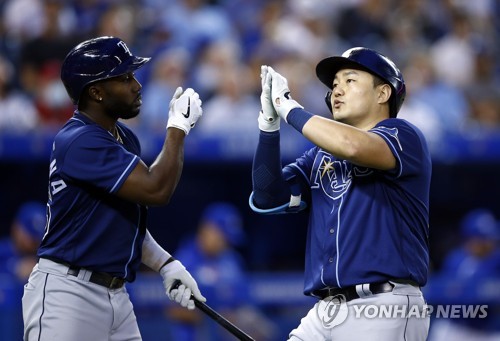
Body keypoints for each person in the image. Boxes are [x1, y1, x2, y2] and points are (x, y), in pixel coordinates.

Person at [22, 36, 206, 341]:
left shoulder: (124, 139)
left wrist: (166, 264)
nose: (136, 85)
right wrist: (177, 128)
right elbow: (157, 190)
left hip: (117, 295)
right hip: (68, 294)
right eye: (124, 78)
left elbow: (123, 222)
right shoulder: (79, 139)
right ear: (95, 92)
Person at [249, 47, 432, 340]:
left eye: (350, 80)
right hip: (324, 310)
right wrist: (269, 126)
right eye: (334, 85)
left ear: (383, 93)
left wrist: (290, 109)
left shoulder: (404, 135)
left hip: (383, 304)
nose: (337, 90)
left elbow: (355, 147)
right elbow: (267, 196)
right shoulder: (318, 156)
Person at [166, 201, 276, 341]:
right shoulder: (184, 260)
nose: (226, 243)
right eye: (224, 236)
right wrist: (217, 317)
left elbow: (246, 301)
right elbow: (172, 310)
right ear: (208, 229)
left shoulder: (232, 259)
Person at [427, 208, 500, 341]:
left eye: (488, 239)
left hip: (487, 331)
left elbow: (488, 299)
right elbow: (433, 292)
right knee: (440, 327)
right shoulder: (457, 259)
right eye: (481, 239)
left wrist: (459, 292)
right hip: (456, 327)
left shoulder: (496, 260)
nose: (487, 243)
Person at [0, 201, 46, 282]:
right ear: (17, 227)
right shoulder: (2, 251)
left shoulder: (43, 260)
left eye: (36, 237)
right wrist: (14, 271)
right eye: (29, 233)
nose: (32, 241)